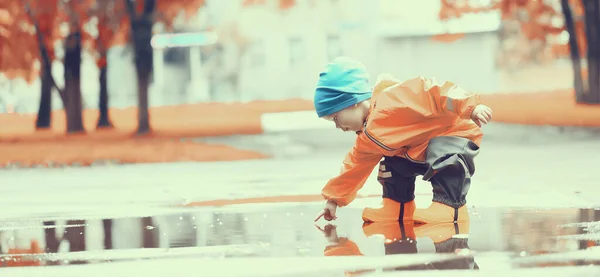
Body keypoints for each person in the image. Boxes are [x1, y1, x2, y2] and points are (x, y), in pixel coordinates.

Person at [312, 57, 492, 224]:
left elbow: (436, 92)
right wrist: (333, 200)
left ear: (351, 101)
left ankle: (451, 208)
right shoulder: (367, 138)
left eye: (336, 118)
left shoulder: (393, 99)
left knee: (444, 154)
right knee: (391, 163)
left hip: (453, 137)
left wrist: (471, 106)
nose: (337, 126)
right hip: (419, 153)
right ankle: (398, 208)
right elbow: (354, 169)